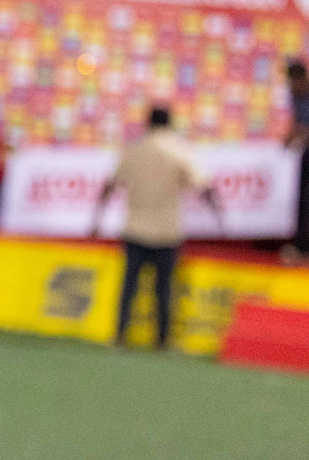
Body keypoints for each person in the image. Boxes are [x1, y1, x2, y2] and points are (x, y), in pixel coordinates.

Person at [91, 106, 222, 349]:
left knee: (129, 286)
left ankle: (120, 334)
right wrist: (220, 219)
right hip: (167, 229)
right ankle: (162, 340)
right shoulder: (179, 151)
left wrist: (96, 219)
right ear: (170, 124)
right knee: (164, 288)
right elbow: (204, 186)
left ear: (148, 123)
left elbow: (110, 185)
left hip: (135, 228)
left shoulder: (134, 150)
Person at [283, 61, 309, 264]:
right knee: (302, 200)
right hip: (306, 151)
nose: (292, 85)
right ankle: (301, 245)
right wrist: (289, 138)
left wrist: (298, 133)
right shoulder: (294, 94)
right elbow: (297, 122)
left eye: (294, 81)